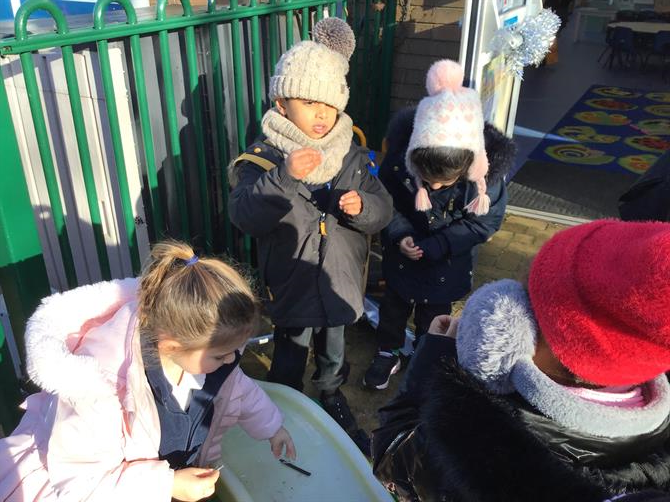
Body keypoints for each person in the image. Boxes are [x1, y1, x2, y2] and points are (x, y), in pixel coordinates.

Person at [372, 219, 670, 501]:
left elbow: (393, 459)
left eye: (527, 302)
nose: (509, 307)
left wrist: (434, 358)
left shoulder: (473, 445)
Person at [0, 241, 295, 502]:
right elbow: (81, 485)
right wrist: (167, 484)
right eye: (221, 354)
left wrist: (273, 428)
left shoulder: (212, 362)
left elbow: (240, 390)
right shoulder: (98, 390)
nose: (232, 360)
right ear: (171, 346)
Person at [227, 17, 393, 455]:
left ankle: (331, 393)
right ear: (281, 104)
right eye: (307, 101)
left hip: (339, 279)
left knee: (334, 346)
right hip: (292, 281)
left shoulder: (352, 155)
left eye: (329, 104)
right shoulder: (263, 159)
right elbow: (244, 215)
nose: (321, 114)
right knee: (290, 349)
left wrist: (364, 207)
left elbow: (384, 209)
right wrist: (284, 176)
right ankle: (283, 402)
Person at [363, 59, 516, 390]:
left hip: (448, 261)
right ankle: (388, 350)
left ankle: (426, 353)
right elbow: (387, 202)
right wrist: (400, 234)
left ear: (469, 165)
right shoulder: (398, 164)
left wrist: (440, 243)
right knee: (393, 306)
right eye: (426, 178)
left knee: (434, 313)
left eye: (443, 182)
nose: (433, 187)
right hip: (403, 257)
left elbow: (484, 223)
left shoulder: (485, 182)